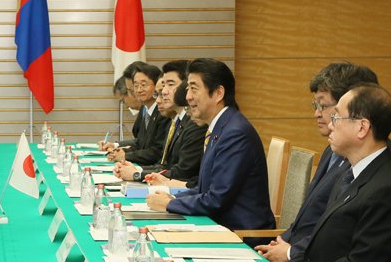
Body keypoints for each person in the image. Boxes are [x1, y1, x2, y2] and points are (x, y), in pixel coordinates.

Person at [283, 84, 391, 262]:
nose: (330, 124)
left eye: (336, 117)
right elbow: (316, 249)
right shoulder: (349, 173)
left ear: (362, 127)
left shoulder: (384, 186)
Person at [256, 63, 378, 262]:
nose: (317, 114)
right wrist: (283, 242)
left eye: (324, 106)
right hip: (295, 254)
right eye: (316, 106)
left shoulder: (364, 163)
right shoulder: (332, 151)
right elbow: (310, 216)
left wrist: (291, 252)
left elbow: (338, 235)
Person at [146, 58, 275, 232]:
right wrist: (171, 197)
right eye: (187, 89)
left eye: (193, 88)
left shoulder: (235, 133)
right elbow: (204, 189)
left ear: (218, 93)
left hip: (241, 234)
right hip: (219, 225)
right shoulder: (221, 127)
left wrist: (170, 203)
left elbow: (216, 200)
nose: (188, 96)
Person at [115, 60, 205, 185]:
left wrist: (137, 174)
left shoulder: (196, 124)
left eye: (170, 84)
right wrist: (137, 170)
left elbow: (183, 172)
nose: (164, 92)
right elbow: (163, 165)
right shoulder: (176, 121)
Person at [105, 63, 170, 165]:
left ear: (156, 85)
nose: (139, 90)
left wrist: (126, 156)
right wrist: (119, 150)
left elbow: (158, 152)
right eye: (136, 86)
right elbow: (141, 143)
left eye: (143, 85)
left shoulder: (164, 113)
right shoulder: (146, 110)